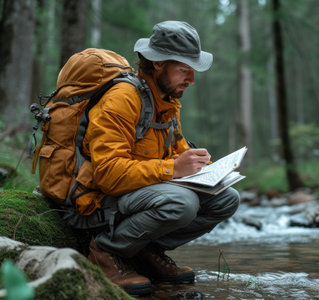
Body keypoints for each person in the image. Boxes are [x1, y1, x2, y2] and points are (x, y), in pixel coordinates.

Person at [66, 20, 240, 296]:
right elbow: (108, 176)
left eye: (192, 70)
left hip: (138, 195)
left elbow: (175, 151)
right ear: (158, 63)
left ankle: (146, 251)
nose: (191, 80)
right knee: (182, 203)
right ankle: (105, 252)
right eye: (184, 70)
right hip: (99, 200)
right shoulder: (122, 99)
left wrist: (200, 166)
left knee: (227, 198)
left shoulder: (166, 100)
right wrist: (173, 168)